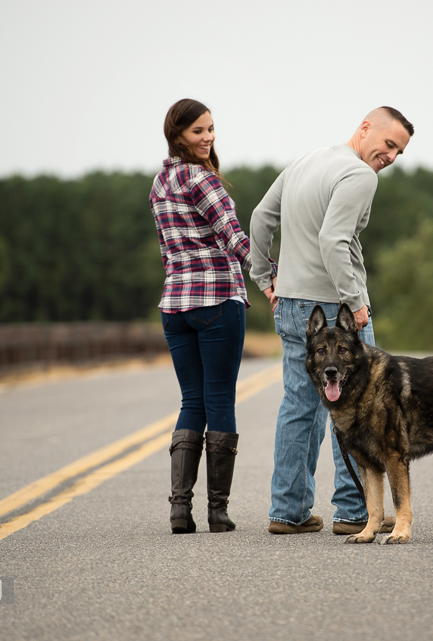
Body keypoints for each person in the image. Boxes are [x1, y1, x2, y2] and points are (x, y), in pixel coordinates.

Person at [249, 107, 414, 534]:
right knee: (359, 409)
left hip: (290, 305)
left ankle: (288, 512)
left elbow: (260, 218)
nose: (391, 156)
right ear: (365, 128)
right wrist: (356, 304)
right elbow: (334, 240)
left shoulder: (305, 163)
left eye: (399, 150)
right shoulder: (360, 175)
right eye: (389, 143)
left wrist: (265, 277)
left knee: (298, 408)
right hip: (334, 313)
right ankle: (354, 511)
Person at [151, 98, 274, 534]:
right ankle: (217, 512)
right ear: (178, 134)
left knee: (192, 401)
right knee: (219, 398)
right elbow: (233, 236)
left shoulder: (161, 181)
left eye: (211, 129)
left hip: (175, 305)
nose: (208, 138)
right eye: (198, 131)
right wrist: (270, 277)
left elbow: (168, 250)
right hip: (216, 299)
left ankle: (179, 511)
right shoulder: (203, 180)